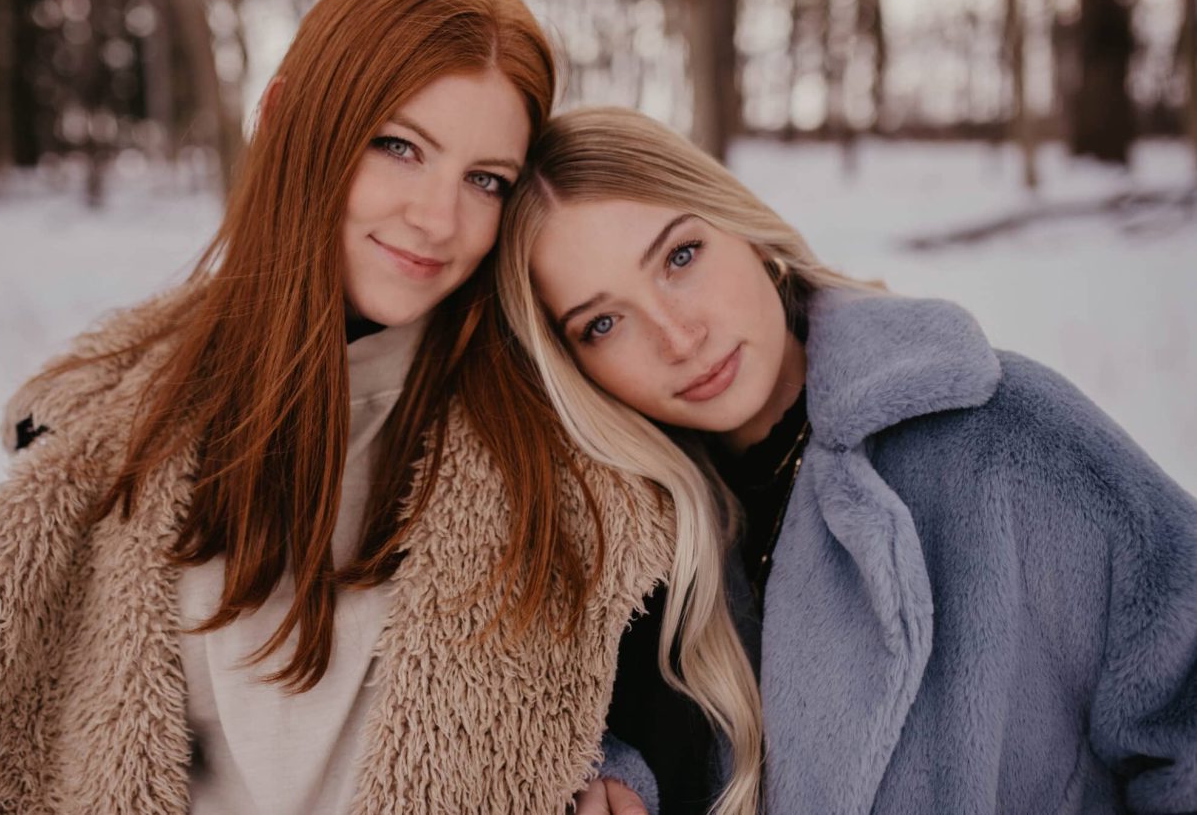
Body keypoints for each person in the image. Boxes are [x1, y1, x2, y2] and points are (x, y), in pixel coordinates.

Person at [0, 0, 759, 814]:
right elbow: (23, 750)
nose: (437, 220)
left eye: (486, 180)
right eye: (399, 146)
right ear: (284, 116)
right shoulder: (99, 433)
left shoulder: (571, 445)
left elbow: (678, 707)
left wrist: (627, 768)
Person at [498, 106, 1197, 814]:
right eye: (604, 323)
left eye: (680, 256)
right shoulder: (622, 553)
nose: (678, 338)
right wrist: (610, 774)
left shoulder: (1001, 434)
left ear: (742, 229)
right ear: (572, 366)